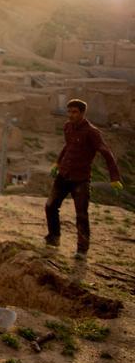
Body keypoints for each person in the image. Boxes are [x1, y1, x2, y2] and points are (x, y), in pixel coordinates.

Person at [45, 98, 124, 261]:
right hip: (64, 174)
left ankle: (82, 249)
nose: (70, 115)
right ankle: (54, 237)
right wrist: (57, 163)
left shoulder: (92, 132)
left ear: (82, 113)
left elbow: (106, 153)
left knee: (81, 215)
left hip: (80, 179)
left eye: (74, 112)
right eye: (69, 111)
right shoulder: (67, 127)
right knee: (50, 206)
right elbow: (68, 146)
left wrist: (114, 178)